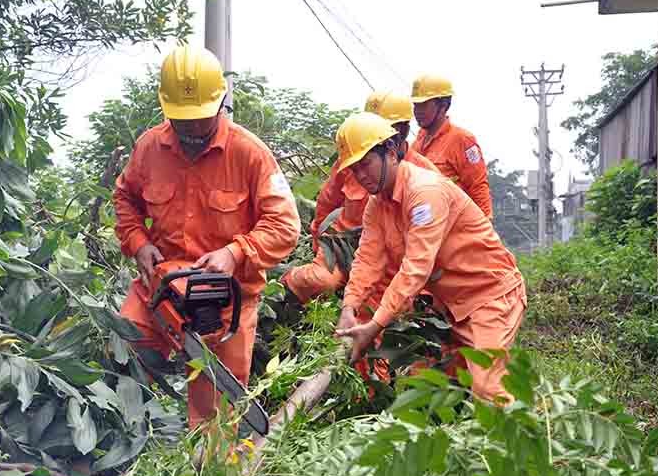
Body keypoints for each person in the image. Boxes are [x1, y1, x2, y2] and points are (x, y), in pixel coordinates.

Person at [113, 44, 300, 428]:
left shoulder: (250, 154)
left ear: (219, 103)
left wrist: (236, 252)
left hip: (223, 301)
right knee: (122, 357)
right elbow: (125, 197)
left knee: (216, 417)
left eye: (199, 118)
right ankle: (125, 444)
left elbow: (284, 226)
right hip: (161, 284)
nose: (192, 129)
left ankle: (207, 474)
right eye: (183, 120)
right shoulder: (150, 147)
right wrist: (139, 242)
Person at [333, 112, 526, 403]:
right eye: (354, 170)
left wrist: (375, 325)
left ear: (391, 151)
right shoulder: (377, 206)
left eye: (366, 165)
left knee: (488, 390)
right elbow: (367, 260)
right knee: (433, 391)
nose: (361, 176)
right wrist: (349, 306)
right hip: (451, 307)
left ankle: (534, 443)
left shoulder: (424, 193)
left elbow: (416, 268)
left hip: (490, 297)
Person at [280, 92, 437, 385]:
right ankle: (283, 287)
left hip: (389, 259)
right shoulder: (352, 162)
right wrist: (319, 243)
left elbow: (417, 255)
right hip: (343, 246)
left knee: (380, 319)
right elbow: (327, 201)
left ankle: (371, 389)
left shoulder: (421, 176)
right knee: (320, 279)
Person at [410, 74, 493, 219]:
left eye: (424, 105)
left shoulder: (463, 140)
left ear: (443, 105)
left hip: (457, 228)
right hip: (428, 228)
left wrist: (485, 229)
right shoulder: (416, 145)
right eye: (415, 105)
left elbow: (478, 186)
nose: (417, 111)